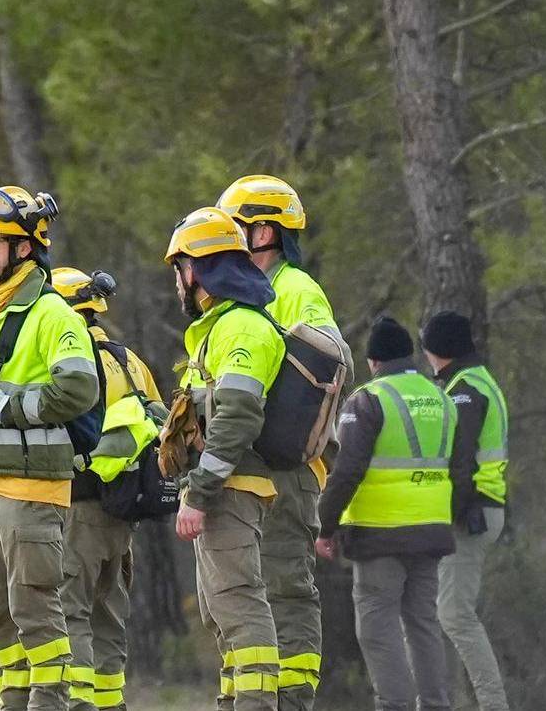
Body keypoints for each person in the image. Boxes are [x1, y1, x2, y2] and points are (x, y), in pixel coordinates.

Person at [0, 185, 98, 711]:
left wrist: (3, 410)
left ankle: (48, 703)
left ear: (25, 249)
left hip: (31, 491)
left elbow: (79, 390)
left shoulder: (52, 313)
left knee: (35, 611)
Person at [217, 175, 340, 709]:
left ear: (264, 232)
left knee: (286, 593)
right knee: (246, 597)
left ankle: (290, 702)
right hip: (255, 472)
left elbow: (325, 366)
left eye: (235, 230)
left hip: (288, 474)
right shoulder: (244, 297)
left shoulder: (296, 290)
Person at [163, 207, 283, 711]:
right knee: (220, 613)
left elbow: (235, 417)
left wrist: (199, 493)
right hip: (222, 489)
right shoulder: (218, 329)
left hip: (230, 490)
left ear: (197, 270)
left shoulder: (243, 329)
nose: (177, 282)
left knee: (239, 606)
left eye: (179, 269)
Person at [315, 318, 467, 711]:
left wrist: (326, 525)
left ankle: (394, 706)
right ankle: (436, 705)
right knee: (424, 625)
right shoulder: (441, 398)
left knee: (378, 628)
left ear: (373, 361)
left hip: (380, 533)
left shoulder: (369, 399)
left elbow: (347, 470)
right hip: (431, 531)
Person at [48, 268, 162, 711]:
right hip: (121, 508)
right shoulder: (129, 360)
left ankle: (79, 703)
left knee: (71, 609)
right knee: (109, 613)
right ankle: (111, 702)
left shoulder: (70, 361)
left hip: (78, 504)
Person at [421, 311, 509, 711]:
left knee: (455, 616)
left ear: (437, 350)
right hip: (483, 509)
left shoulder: (464, 390)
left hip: (469, 512)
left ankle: (493, 705)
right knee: (447, 613)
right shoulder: (478, 380)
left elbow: (459, 463)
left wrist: (441, 518)